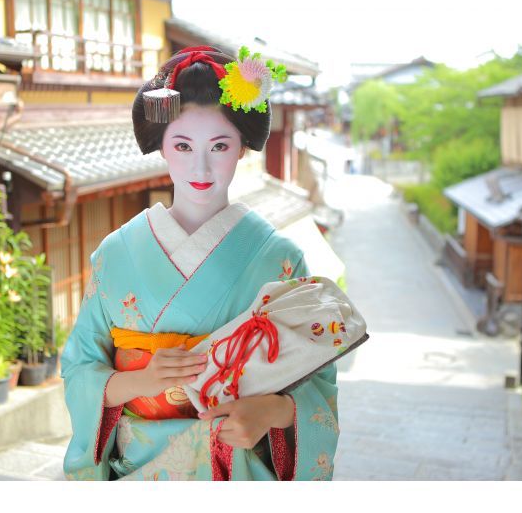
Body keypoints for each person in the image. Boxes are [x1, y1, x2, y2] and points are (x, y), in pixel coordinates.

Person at [61, 46, 340, 481]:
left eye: (221, 145)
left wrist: (271, 411)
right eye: (183, 144)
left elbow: (318, 386)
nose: (202, 165)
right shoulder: (116, 254)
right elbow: (79, 367)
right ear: (162, 147)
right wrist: (141, 382)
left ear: (243, 148)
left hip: (237, 466)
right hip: (137, 469)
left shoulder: (280, 258)